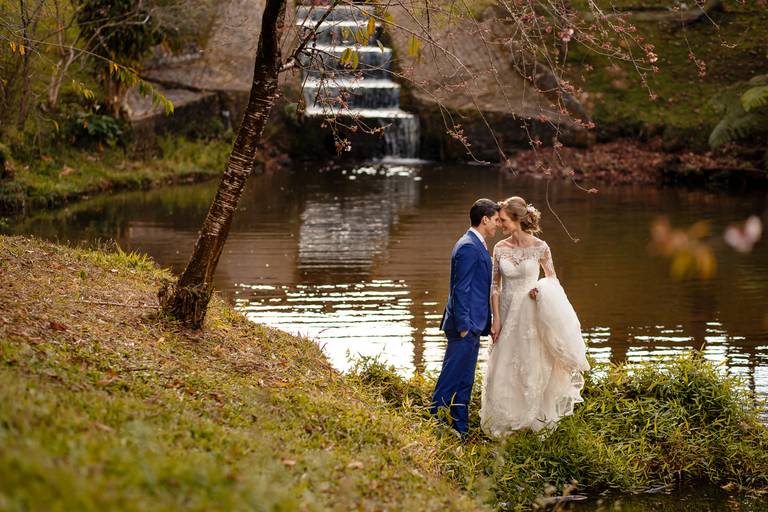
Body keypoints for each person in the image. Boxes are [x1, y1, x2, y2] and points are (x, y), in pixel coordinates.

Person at [480, 196, 589, 436]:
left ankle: (533, 417)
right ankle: (506, 419)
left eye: (504, 220)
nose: (500, 224)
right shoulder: (499, 248)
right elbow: (495, 287)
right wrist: (495, 319)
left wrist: (541, 288)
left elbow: (552, 279)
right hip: (507, 313)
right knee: (504, 362)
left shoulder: (541, 247)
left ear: (517, 220)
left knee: (531, 362)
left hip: (530, 314)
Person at [431, 198, 500, 436]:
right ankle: (435, 425)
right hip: (465, 326)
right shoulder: (469, 247)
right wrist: (463, 326)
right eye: (496, 220)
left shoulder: (476, 244)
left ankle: (460, 429)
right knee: (450, 379)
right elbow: (461, 290)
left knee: (465, 381)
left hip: (473, 325)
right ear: (485, 219)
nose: (498, 225)